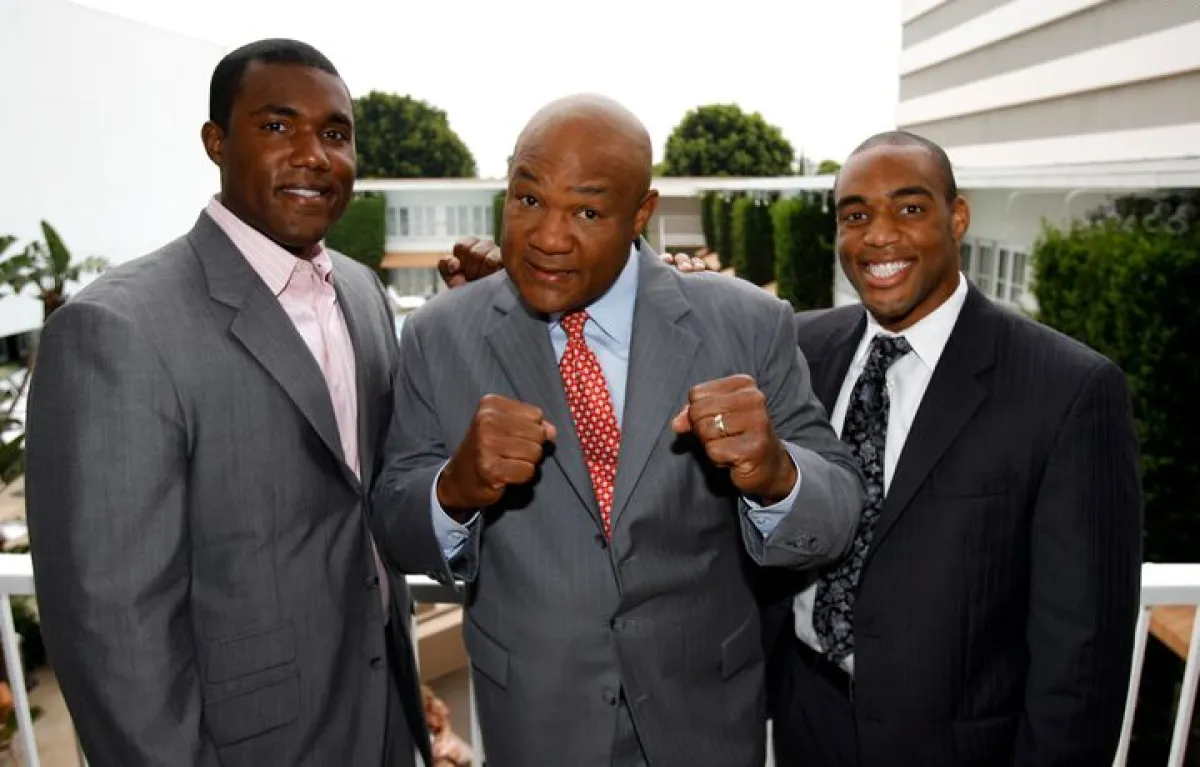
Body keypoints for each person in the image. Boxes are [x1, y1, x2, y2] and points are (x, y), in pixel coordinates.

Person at [443, 130, 1144, 766]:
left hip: (961, 743)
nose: (879, 237)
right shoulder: (800, 343)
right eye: (855, 215)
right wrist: (515, 307)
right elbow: (639, 352)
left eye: (909, 209)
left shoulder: (1068, 388)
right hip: (801, 721)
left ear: (957, 218)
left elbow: (1084, 653)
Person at [371, 93, 865, 767]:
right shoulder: (440, 334)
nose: (548, 235)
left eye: (587, 210)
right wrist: (453, 489)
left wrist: (777, 475)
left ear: (642, 213)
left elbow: (837, 510)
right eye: (528, 200)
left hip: (706, 724)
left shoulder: (747, 323)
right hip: (536, 726)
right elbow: (396, 523)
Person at [25, 39, 430, 767]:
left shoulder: (365, 294)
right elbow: (110, 627)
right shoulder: (115, 330)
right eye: (278, 126)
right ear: (216, 141)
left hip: (383, 719)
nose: (313, 153)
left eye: (335, 133)